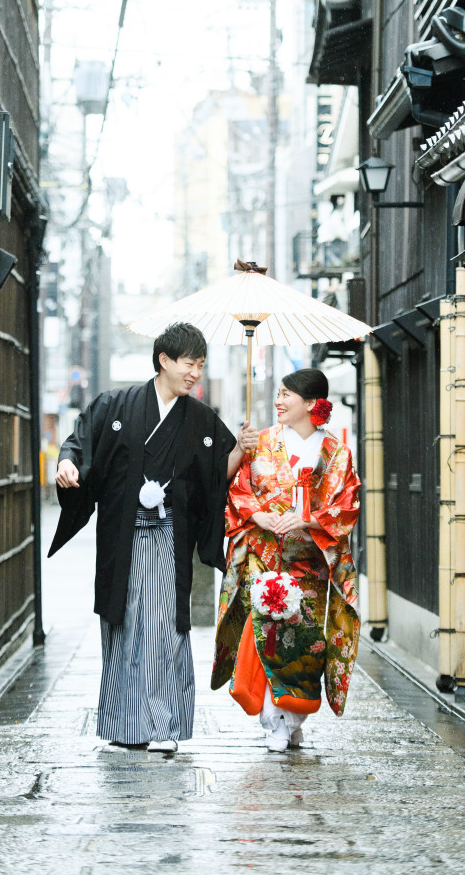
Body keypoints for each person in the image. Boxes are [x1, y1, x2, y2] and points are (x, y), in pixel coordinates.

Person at [49, 321, 258, 753]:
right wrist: (66, 464)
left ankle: (165, 725)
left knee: (165, 627)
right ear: (164, 360)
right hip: (122, 536)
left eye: (201, 365)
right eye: (189, 364)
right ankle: (125, 725)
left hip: (168, 537)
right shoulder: (115, 404)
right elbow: (78, 444)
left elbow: (214, 479)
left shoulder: (200, 418)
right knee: (123, 624)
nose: (195, 373)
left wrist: (239, 449)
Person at [212, 367, 361, 752]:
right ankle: (275, 720)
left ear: (311, 403)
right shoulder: (260, 443)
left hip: (309, 564)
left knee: (304, 644)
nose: (278, 401)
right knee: (265, 636)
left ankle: (294, 717)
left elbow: (346, 506)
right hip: (263, 558)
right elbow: (239, 490)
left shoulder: (337, 453)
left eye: (286, 395)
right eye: (277, 394)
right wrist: (259, 516)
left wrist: (308, 519)